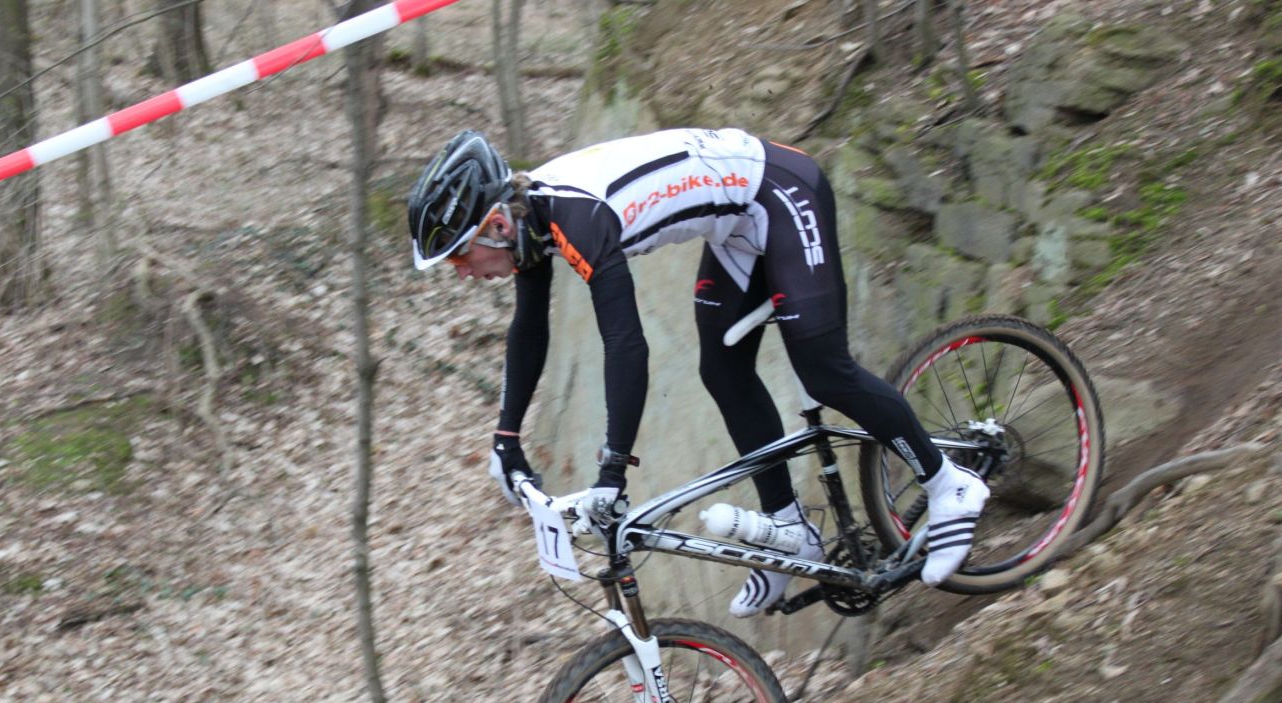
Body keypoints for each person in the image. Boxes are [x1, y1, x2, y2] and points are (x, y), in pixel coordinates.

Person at [407, 128, 987, 616]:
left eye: (459, 256)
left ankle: (948, 484)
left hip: (781, 192)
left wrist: (613, 470)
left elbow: (627, 346)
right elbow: (530, 331)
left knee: (824, 371)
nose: (462, 272)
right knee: (723, 368)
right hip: (734, 222)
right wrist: (506, 437)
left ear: (495, 227)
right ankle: (790, 528)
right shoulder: (531, 222)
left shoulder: (577, 217)